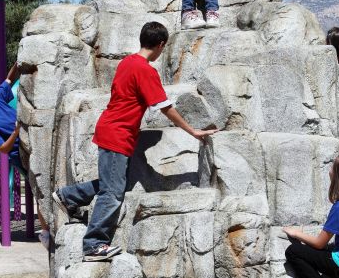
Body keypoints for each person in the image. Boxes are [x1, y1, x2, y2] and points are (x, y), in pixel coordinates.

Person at [53, 22, 218, 262]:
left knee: (115, 183)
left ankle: (69, 196)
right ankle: (94, 244)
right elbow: (165, 107)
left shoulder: (127, 62)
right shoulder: (145, 69)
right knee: (113, 192)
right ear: (161, 45)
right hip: (117, 134)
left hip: (112, 130)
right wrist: (192, 131)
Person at [0, 63, 50, 249]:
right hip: (20, 155)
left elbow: (8, 79)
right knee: (41, 190)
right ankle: (45, 233)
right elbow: (2, 150)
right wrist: (16, 131)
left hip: (31, 143)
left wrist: (17, 64)